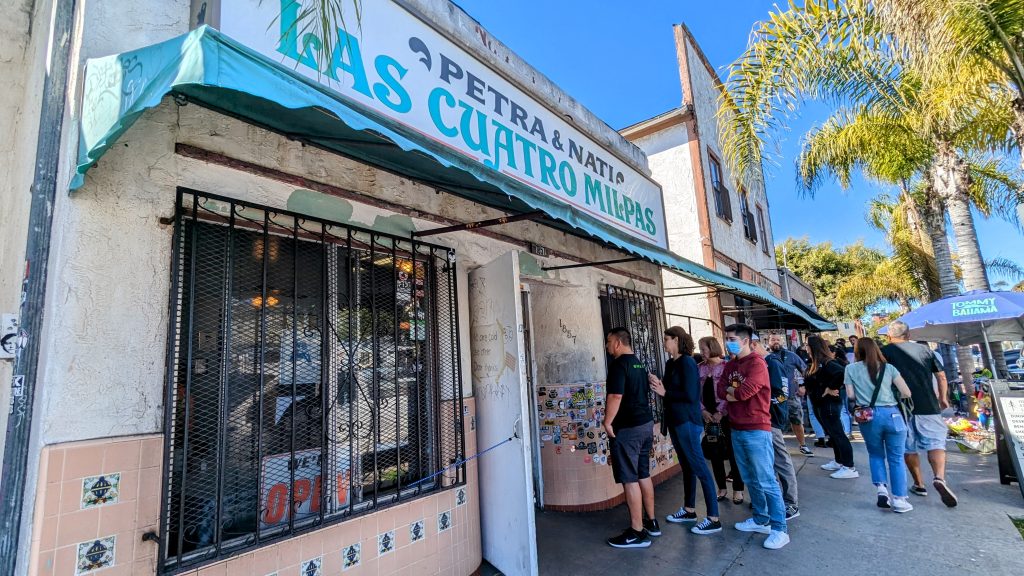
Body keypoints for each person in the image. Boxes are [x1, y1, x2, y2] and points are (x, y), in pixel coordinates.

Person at [717, 324, 789, 550]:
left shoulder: (758, 363)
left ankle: (780, 528)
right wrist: (733, 393)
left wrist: (733, 392)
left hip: (756, 428)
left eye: (731, 339)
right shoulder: (731, 364)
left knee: (766, 479)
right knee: (749, 477)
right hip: (736, 427)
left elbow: (744, 392)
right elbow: (720, 390)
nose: (728, 342)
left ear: (746, 340)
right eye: (727, 338)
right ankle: (761, 518)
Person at [649, 327, 722, 535]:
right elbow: (669, 389)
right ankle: (689, 510)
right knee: (687, 466)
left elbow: (690, 395)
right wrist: (657, 384)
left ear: (677, 340)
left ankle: (713, 518)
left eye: (666, 339)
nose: (664, 342)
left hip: (688, 421)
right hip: (675, 420)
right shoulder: (671, 363)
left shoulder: (688, 362)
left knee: (699, 467)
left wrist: (665, 391)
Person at [882, 321, 958, 507]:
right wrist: (943, 398)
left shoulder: (884, 352)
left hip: (899, 406)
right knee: (936, 443)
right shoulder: (926, 351)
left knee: (908, 447)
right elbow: (941, 376)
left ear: (889, 336)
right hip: (928, 404)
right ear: (908, 335)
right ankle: (939, 477)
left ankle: (919, 483)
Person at [845, 337, 915, 513]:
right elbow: (906, 392)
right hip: (892, 414)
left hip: (868, 416)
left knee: (875, 454)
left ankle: (881, 489)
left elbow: (851, 395)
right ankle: (899, 499)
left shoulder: (850, 369)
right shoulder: (889, 368)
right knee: (896, 458)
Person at [604, 328, 657, 548]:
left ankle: (637, 531)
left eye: (608, 342)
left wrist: (607, 421)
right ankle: (651, 523)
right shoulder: (638, 362)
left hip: (628, 429)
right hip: (645, 425)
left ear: (617, 342)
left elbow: (616, 395)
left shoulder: (618, 365)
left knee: (629, 479)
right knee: (643, 473)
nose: (607, 346)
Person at [753, 334, 801, 520]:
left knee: (780, 460)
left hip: (771, 421)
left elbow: (782, 393)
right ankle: (775, 500)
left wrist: (768, 408)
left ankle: (791, 503)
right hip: (762, 421)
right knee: (768, 463)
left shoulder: (771, 362)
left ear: (753, 344)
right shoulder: (760, 363)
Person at [697, 336, 744, 505]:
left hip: (726, 416)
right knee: (714, 452)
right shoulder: (699, 369)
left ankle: (738, 489)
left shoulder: (727, 367)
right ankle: (721, 488)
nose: (701, 352)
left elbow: (732, 391)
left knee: (733, 452)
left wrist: (720, 412)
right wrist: (703, 411)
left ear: (712, 348)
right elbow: (695, 393)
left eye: (704, 349)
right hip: (708, 418)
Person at [804, 335, 858, 479]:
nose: (805, 347)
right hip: (819, 403)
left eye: (807, 345)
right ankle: (839, 461)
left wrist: (830, 387)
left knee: (838, 434)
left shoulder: (826, 362)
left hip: (828, 404)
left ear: (813, 347)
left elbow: (841, 373)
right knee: (832, 434)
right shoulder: (814, 362)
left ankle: (849, 466)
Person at [768, 334, 811, 455]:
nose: (776, 342)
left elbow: (806, 371)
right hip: (773, 397)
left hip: (791, 395)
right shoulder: (766, 357)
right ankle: (778, 449)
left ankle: (803, 445)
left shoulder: (791, 355)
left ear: (782, 341)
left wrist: (803, 385)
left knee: (797, 420)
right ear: (769, 341)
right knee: (775, 424)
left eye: (778, 339)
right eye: (773, 340)